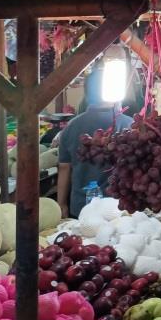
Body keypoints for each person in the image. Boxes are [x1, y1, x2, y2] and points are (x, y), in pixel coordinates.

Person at [57, 70, 133, 218]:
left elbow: (64, 168)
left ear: (86, 94)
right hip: (119, 211)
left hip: (81, 209)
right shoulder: (129, 125)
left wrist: (61, 204)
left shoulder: (71, 126)